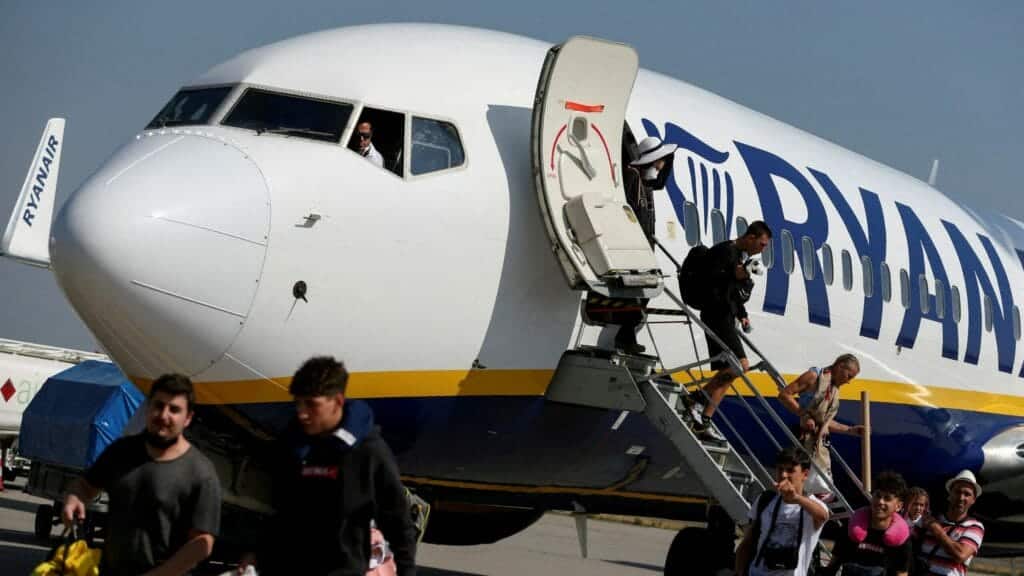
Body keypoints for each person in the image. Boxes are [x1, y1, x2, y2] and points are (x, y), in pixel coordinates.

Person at [264, 356, 417, 576]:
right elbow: (280, 512)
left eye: (311, 405)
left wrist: (406, 571)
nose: (302, 413)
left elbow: (397, 520)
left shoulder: (370, 452)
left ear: (337, 401)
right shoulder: (293, 445)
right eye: (298, 403)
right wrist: (258, 553)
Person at [61, 374, 222, 576]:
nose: (163, 415)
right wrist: (73, 498)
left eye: (174, 409)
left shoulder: (200, 472)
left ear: (188, 418)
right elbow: (85, 486)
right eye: (158, 405)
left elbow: (202, 543)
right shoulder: (121, 452)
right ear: (147, 408)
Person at [689, 221, 772, 440]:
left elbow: (732, 292)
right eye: (762, 244)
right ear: (751, 237)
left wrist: (742, 315)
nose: (763, 250)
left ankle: (703, 421)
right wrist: (734, 275)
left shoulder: (739, 256)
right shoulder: (725, 251)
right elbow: (711, 282)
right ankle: (696, 398)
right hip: (716, 315)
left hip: (726, 315)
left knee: (727, 373)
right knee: (740, 366)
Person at [613, 136, 678, 354]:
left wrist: (671, 159)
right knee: (642, 289)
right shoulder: (632, 176)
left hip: (644, 244)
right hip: (635, 243)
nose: (661, 166)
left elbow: (659, 183)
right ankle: (626, 336)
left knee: (646, 289)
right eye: (660, 161)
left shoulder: (646, 182)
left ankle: (627, 335)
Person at [778, 353, 864, 495]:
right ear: (840, 366)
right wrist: (804, 415)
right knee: (797, 486)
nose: (849, 381)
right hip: (801, 439)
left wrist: (850, 430)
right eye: (849, 376)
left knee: (815, 489)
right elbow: (784, 395)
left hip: (817, 444)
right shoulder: (814, 376)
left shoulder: (833, 389)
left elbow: (824, 423)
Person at [735, 447, 829, 576]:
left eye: (790, 470)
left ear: (805, 474)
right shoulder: (766, 500)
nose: (783, 475)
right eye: (780, 469)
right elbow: (747, 542)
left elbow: (823, 516)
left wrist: (796, 498)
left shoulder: (813, 505)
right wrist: (739, 572)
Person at [827, 471, 913, 576]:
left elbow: (902, 573)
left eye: (887, 498)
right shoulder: (851, 528)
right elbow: (833, 565)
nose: (880, 501)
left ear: (898, 506)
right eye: (877, 496)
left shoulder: (901, 540)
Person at [914, 470, 984, 576]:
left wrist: (936, 529)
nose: (961, 498)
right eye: (957, 492)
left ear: (973, 500)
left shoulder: (975, 527)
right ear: (950, 494)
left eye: (967, 494)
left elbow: (960, 555)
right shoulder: (932, 519)